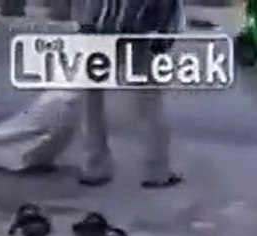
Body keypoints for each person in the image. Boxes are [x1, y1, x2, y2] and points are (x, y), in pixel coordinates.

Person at [76, 0, 184, 188]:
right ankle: (156, 170)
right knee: (148, 94)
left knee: (92, 92)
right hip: (139, 22)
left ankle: (95, 166)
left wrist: (84, 20)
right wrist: (165, 28)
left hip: (101, 22)